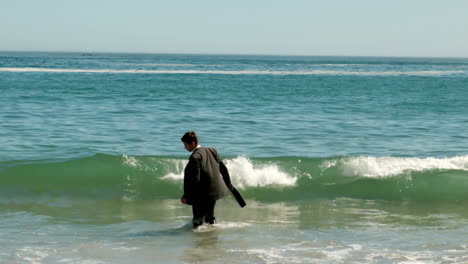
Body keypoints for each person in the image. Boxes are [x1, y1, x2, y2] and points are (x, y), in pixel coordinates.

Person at [180, 131, 231, 228]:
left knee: (197, 220)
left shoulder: (195, 157)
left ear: (193, 143)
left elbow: (195, 179)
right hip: (214, 190)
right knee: (210, 217)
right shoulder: (212, 150)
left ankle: (199, 238)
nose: (185, 147)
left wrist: (187, 196)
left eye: (186, 145)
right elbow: (223, 168)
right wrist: (228, 183)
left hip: (203, 193)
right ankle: (212, 236)